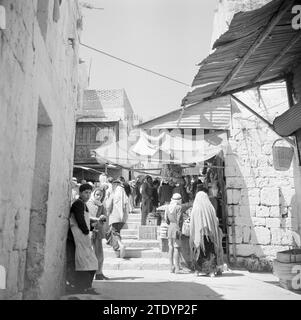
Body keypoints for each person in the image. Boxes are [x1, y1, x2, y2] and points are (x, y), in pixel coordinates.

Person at [69, 183, 98, 294]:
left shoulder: (83, 204)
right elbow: (80, 219)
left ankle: (86, 287)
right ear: (80, 193)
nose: (88, 195)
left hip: (84, 238)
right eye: (86, 192)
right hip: (80, 238)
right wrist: (86, 230)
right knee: (86, 263)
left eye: (90, 192)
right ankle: (83, 287)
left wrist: (90, 227)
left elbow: (83, 220)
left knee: (90, 262)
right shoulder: (78, 204)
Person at [189, 191, 224, 277]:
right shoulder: (210, 207)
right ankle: (211, 271)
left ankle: (197, 271)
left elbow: (192, 222)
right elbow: (215, 221)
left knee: (199, 252)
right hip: (210, 235)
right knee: (210, 252)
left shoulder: (196, 208)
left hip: (199, 236)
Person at [165, 193, 192, 274]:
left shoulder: (168, 207)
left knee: (170, 247)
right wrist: (180, 229)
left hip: (170, 228)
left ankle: (171, 267)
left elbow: (166, 220)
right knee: (177, 248)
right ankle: (177, 268)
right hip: (177, 228)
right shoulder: (179, 207)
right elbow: (179, 220)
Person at [86, 187, 109, 281]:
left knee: (99, 253)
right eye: (97, 195)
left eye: (101, 195)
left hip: (98, 231)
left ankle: (99, 273)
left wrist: (103, 218)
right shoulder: (88, 203)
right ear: (93, 194)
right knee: (89, 253)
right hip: (89, 231)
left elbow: (104, 216)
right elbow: (86, 217)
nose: (99, 197)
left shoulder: (101, 205)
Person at [106, 180, 129, 258]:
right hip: (122, 218)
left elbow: (108, 206)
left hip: (114, 217)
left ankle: (120, 244)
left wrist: (107, 213)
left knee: (114, 232)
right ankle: (117, 251)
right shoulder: (124, 195)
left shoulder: (113, 195)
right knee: (117, 232)